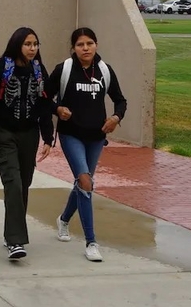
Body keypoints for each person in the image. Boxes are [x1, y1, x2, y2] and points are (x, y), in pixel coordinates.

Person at [44, 27, 127, 262]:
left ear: (96, 45)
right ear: (73, 48)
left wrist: (115, 118)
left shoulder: (104, 70)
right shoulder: (65, 69)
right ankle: (91, 242)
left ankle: (63, 219)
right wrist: (57, 109)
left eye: (90, 43)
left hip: (96, 137)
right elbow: (43, 97)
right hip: (71, 135)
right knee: (85, 180)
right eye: (80, 44)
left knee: (84, 183)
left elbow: (120, 100)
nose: (86, 48)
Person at [0, 27, 55, 260]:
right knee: (12, 182)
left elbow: (44, 104)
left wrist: (48, 137)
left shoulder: (39, 71)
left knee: (24, 183)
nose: (32, 49)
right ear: (17, 45)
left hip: (29, 134)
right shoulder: (1, 68)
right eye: (27, 44)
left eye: (35, 44)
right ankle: (15, 240)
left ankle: (11, 231)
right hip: (4, 133)